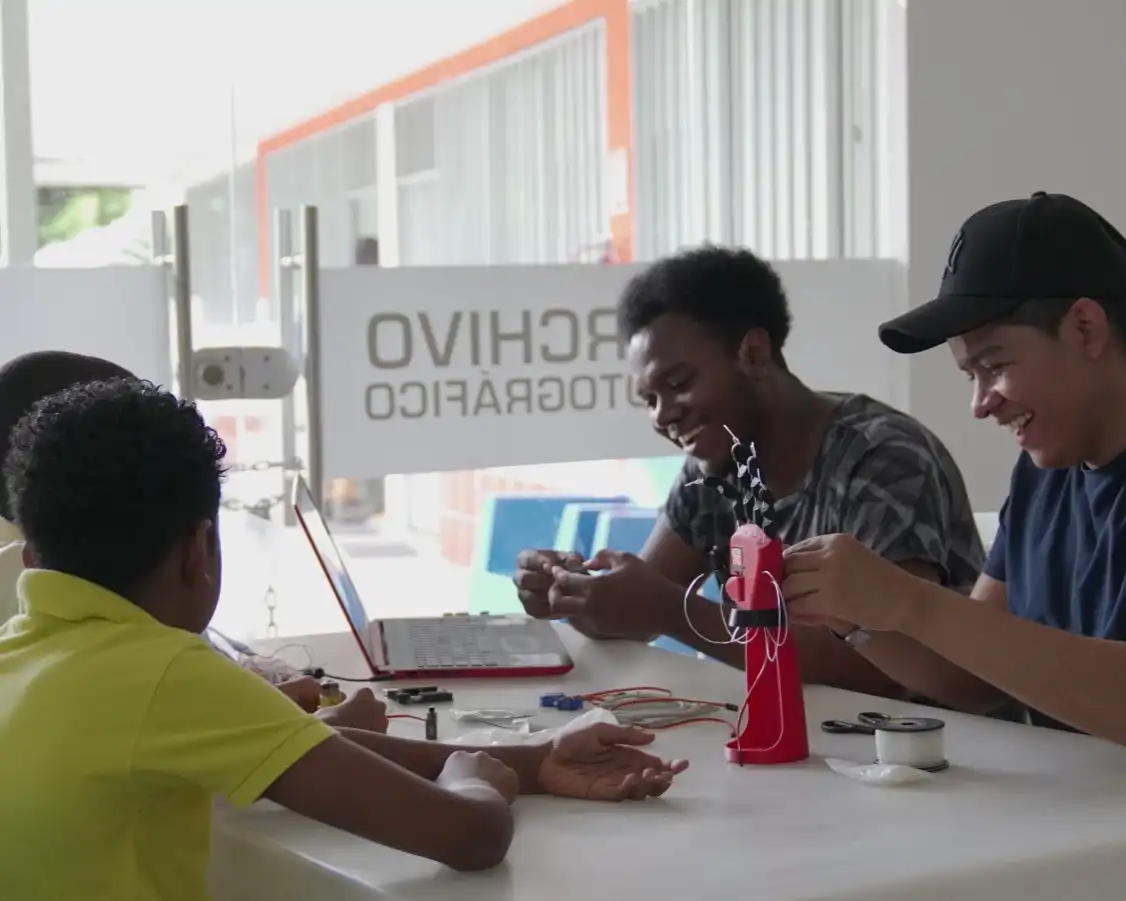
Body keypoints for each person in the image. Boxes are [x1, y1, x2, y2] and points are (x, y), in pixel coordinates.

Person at [0, 377, 687, 898]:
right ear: (199, 551)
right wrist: (471, 778)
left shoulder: (22, 654)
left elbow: (299, 745)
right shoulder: (163, 672)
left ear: (32, 554)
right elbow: (469, 835)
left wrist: (532, 760)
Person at [515, 246, 984, 699]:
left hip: (937, 760)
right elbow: (634, 610)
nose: (662, 416)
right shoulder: (715, 466)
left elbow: (883, 670)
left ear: (755, 354)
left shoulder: (883, 456)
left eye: (678, 384)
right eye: (649, 399)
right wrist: (570, 592)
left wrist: (672, 611)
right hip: (813, 746)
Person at [781, 191, 1126, 746]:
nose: (981, 403)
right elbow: (974, 679)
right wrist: (854, 614)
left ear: (1085, 328)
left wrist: (908, 599)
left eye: (994, 366)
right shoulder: (1046, 470)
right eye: (971, 376)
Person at [0, 350, 387, 731]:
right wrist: (321, 731)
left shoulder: (31, 617)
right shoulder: (153, 649)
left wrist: (263, 710)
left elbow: (156, 725)